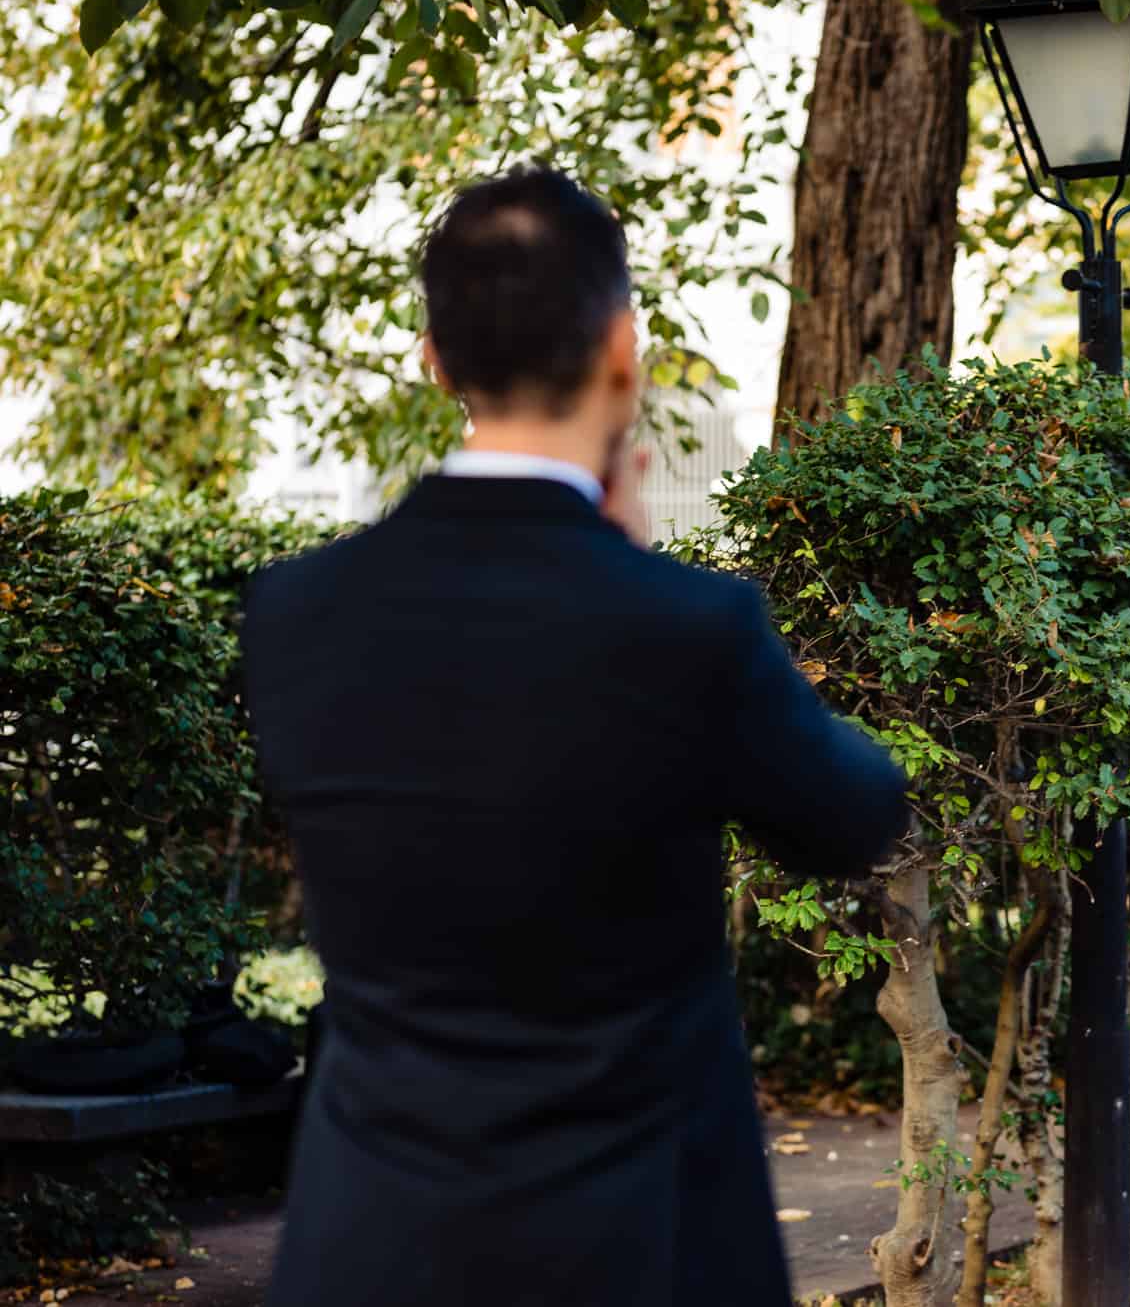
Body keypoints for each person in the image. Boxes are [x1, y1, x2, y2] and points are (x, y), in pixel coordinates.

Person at [240, 165, 911, 1307]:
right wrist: (639, 576)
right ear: (621, 352)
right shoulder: (685, 626)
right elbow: (859, 815)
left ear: (433, 360)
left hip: (371, 1241)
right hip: (640, 1242)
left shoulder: (293, 613)